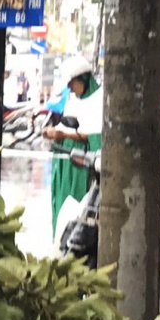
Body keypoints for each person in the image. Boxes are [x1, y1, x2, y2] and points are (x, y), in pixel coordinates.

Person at [44, 57, 103, 236]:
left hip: (81, 166)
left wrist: (64, 135)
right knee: (61, 207)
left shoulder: (98, 100)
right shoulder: (72, 101)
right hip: (64, 163)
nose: (70, 88)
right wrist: (53, 132)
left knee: (78, 208)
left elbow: (94, 135)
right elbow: (65, 124)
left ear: (83, 79)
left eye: (72, 84)